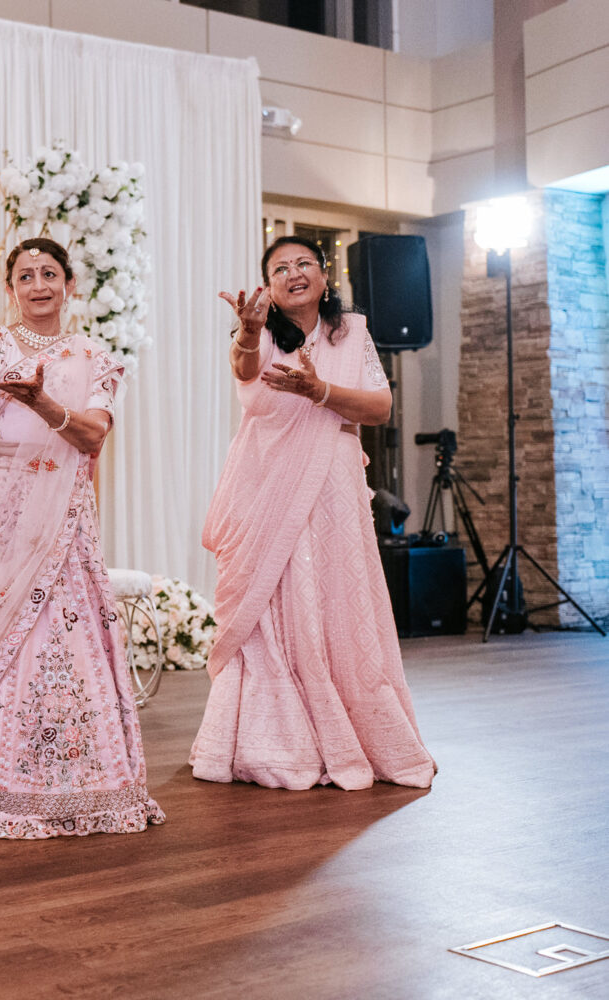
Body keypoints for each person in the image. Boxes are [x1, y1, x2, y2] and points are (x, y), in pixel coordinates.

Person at [0, 237, 165, 839]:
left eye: (50, 273)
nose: (38, 284)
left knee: (51, 641)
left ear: (69, 284)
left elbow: (93, 434)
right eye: (26, 276)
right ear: (12, 288)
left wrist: (44, 402)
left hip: (58, 522)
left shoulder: (95, 358)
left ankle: (61, 780)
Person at [190, 234, 436, 790]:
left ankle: (351, 729)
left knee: (332, 596)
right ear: (269, 289)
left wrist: (320, 390)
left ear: (325, 277)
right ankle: (271, 740)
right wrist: (249, 332)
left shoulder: (353, 332)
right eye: (280, 268)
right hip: (265, 486)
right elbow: (245, 371)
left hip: (331, 486)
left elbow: (379, 406)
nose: (293, 272)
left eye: (304, 264)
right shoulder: (257, 334)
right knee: (268, 604)